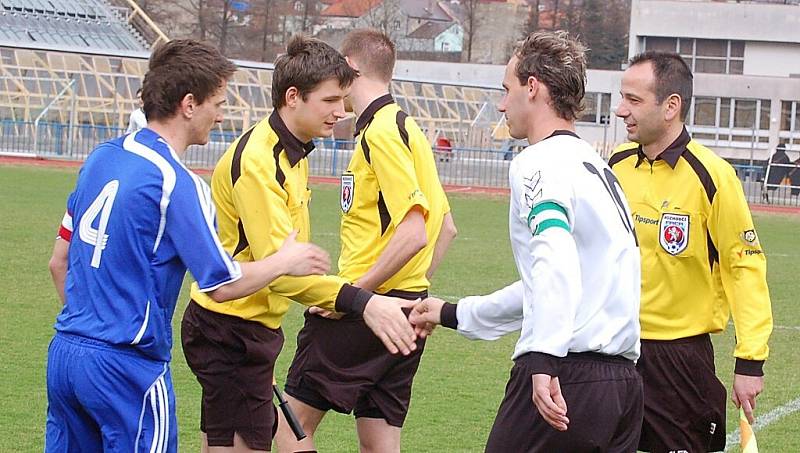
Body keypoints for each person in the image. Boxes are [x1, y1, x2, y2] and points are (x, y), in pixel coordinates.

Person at [44, 39, 332, 453]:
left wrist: (90, 333)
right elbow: (222, 283)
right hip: (129, 369)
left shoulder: (101, 158)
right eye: (218, 101)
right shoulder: (177, 183)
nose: (221, 113)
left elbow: (60, 262)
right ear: (189, 104)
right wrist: (285, 260)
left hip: (67, 355)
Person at [181, 35, 420, 453]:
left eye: (343, 99)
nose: (341, 111)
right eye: (330, 100)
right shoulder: (259, 163)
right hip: (229, 326)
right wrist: (363, 301)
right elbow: (283, 276)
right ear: (293, 97)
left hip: (249, 327)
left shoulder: (293, 152)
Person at [409, 30, 643, 452]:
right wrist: (452, 313)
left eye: (506, 89)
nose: (502, 105)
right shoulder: (598, 168)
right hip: (622, 387)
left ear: (532, 87)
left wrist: (544, 358)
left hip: (569, 375)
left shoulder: (538, 162)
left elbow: (554, 261)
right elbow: (555, 282)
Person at [276, 29, 457, 453]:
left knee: (289, 428)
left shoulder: (380, 133)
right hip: (407, 308)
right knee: (380, 440)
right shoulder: (408, 127)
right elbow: (445, 228)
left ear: (350, 70)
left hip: (365, 309)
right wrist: (410, 291)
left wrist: (359, 294)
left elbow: (415, 232)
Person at [609, 50, 773, 452]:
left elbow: (743, 268)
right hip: (612, 348)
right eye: (621, 97)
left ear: (671, 106)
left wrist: (750, 361)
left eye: (633, 100)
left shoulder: (713, 175)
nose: (619, 110)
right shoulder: (615, 166)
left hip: (678, 359)